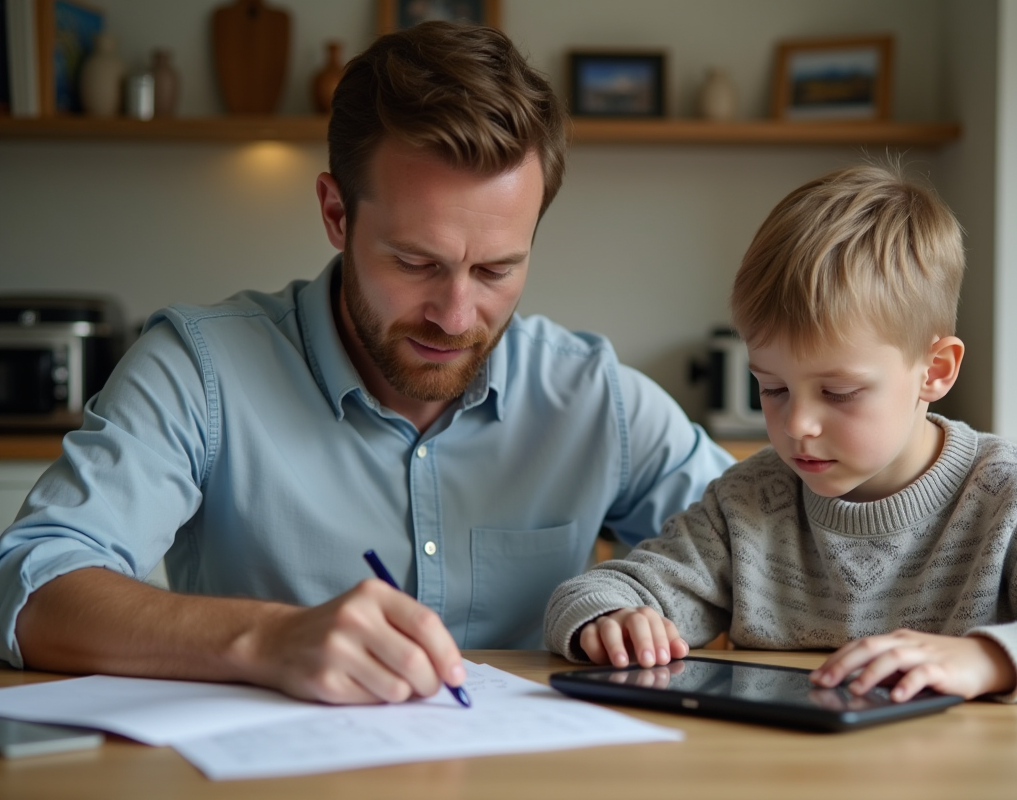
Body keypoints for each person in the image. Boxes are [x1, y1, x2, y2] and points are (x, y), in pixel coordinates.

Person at [0, 23, 733, 705]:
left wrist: (639, 610)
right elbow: (29, 588)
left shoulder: (592, 396)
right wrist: (265, 638)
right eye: (416, 262)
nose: (454, 315)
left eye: (496, 270)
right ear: (335, 213)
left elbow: (770, 548)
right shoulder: (199, 370)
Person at [544, 163, 1017, 703]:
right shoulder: (750, 503)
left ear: (934, 372)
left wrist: (989, 660)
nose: (796, 423)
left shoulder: (1009, 497)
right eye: (770, 388)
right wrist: (609, 619)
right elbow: (599, 590)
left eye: (839, 392)